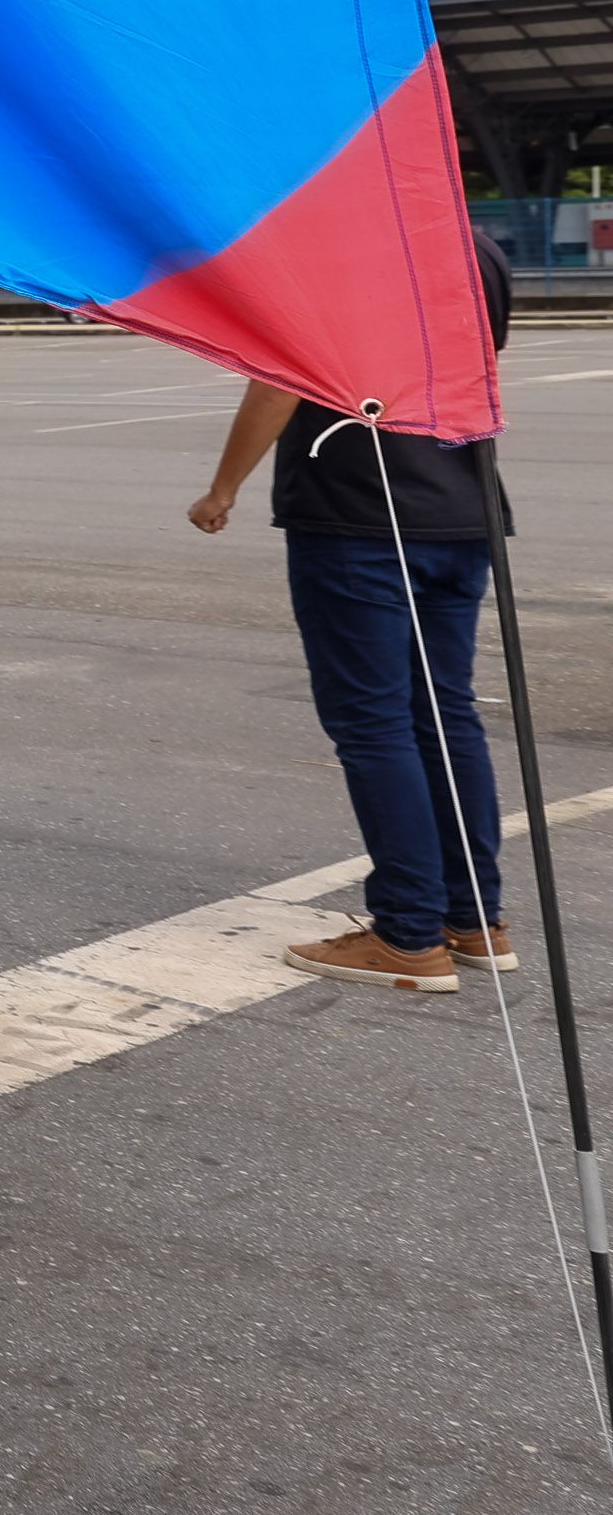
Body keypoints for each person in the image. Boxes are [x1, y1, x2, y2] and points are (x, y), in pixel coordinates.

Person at [189, 237, 517, 993]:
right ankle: (474, 920)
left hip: (359, 514)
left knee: (375, 725)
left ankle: (407, 933)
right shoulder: (479, 248)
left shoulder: (338, 244)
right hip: (460, 503)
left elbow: (280, 383)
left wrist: (223, 488)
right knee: (445, 715)